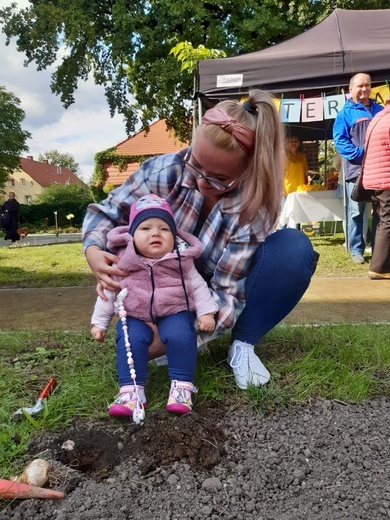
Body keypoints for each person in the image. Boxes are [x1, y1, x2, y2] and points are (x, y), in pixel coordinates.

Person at [82, 89, 318, 392]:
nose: (199, 181)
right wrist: (93, 249)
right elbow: (107, 213)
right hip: (159, 286)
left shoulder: (253, 207)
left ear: (246, 171)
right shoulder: (163, 170)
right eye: (195, 164)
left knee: (294, 250)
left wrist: (187, 331)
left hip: (203, 288)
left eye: (217, 178)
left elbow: (227, 289)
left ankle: (242, 344)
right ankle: (174, 334)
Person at [90, 194, 218, 417]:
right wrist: (99, 322)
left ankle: (181, 386)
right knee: (129, 339)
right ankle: (131, 391)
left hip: (174, 310)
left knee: (181, 334)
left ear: (174, 236)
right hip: (135, 314)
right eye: (146, 228)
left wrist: (207, 313)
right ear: (131, 236)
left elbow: (198, 287)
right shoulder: (123, 261)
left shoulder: (182, 260)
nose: (155, 233)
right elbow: (109, 290)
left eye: (164, 229)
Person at [333, 72, 383, 264]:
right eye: (360, 86)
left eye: (368, 85)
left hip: (379, 170)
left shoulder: (380, 110)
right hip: (356, 171)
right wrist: (362, 154)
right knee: (356, 211)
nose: (365, 89)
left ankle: (379, 249)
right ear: (350, 89)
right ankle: (356, 250)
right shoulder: (344, 114)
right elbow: (341, 142)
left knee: (381, 211)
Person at [361, 97, 390, 280]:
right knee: (388, 221)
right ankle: (379, 267)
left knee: (382, 220)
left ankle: (380, 265)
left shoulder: (378, 117)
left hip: (374, 179)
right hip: (386, 178)